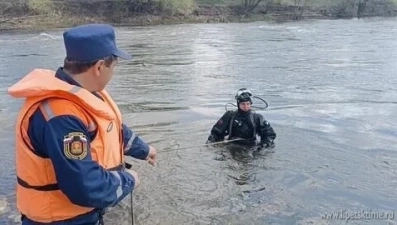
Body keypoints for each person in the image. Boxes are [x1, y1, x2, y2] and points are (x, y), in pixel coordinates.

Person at [7, 24, 157, 225]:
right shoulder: (61, 118)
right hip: (61, 220)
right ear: (99, 67)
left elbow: (110, 128)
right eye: (115, 66)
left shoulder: (84, 91)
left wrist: (144, 149)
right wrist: (129, 180)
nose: (114, 73)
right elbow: (84, 186)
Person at [206, 88, 276, 148]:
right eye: (243, 104)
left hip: (251, 147)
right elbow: (216, 132)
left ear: (251, 104)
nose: (246, 106)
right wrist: (210, 142)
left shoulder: (257, 118)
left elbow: (269, 134)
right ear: (238, 104)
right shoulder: (229, 116)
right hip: (232, 146)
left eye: (248, 104)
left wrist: (264, 145)